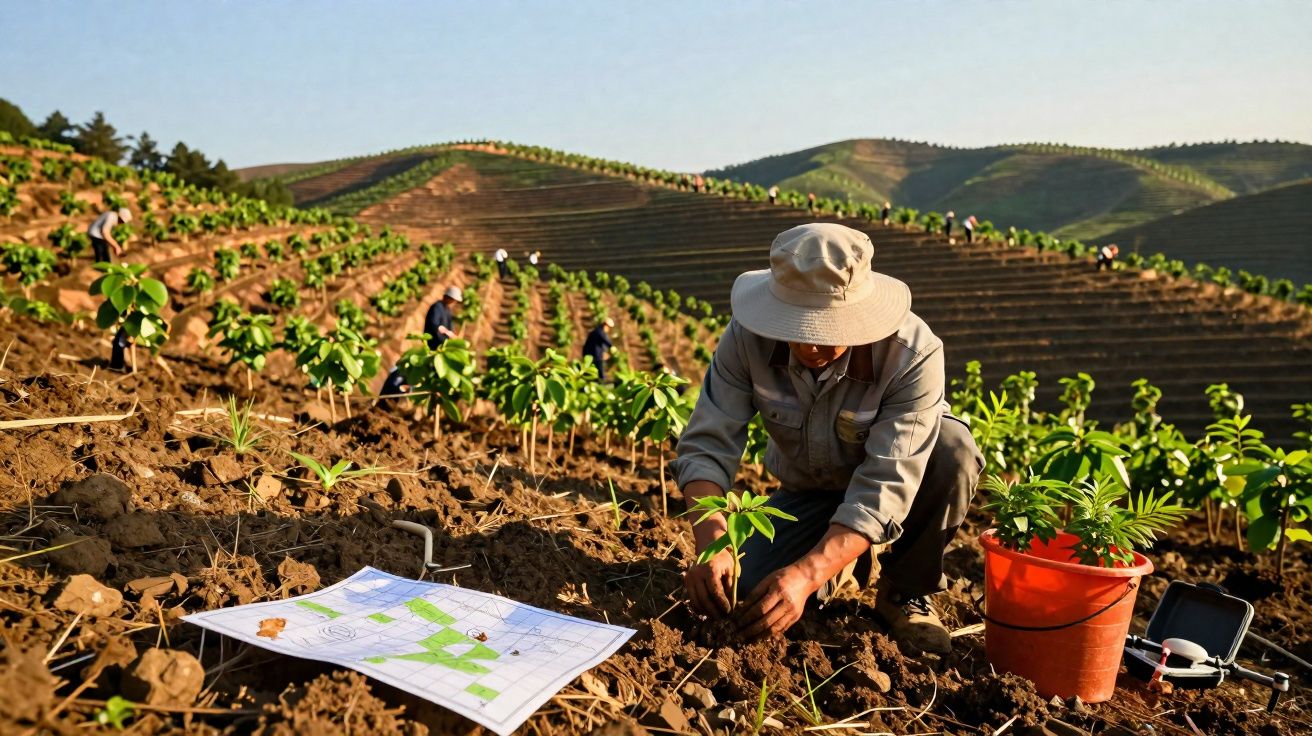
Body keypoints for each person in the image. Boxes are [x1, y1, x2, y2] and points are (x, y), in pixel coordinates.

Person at [672, 223, 983, 653]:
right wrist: (712, 544)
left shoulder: (912, 353)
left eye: (825, 329)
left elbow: (885, 486)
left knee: (952, 449)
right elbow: (707, 443)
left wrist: (807, 573)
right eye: (794, 326)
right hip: (811, 493)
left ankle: (901, 587)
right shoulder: (746, 338)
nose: (809, 344)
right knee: (749, 597)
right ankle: (844, 554)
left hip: (897, 493)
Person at [582, 317, 615, 382]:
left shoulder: (599, 332)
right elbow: (606, 341)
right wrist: (612, 346)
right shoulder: (599, 332)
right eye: (609, 327)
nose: (609, 329)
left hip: (595, 355)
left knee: (595, 372)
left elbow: (602, 345)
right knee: (599, 372)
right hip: (593, 356)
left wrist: (605, 352)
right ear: (605, 325)